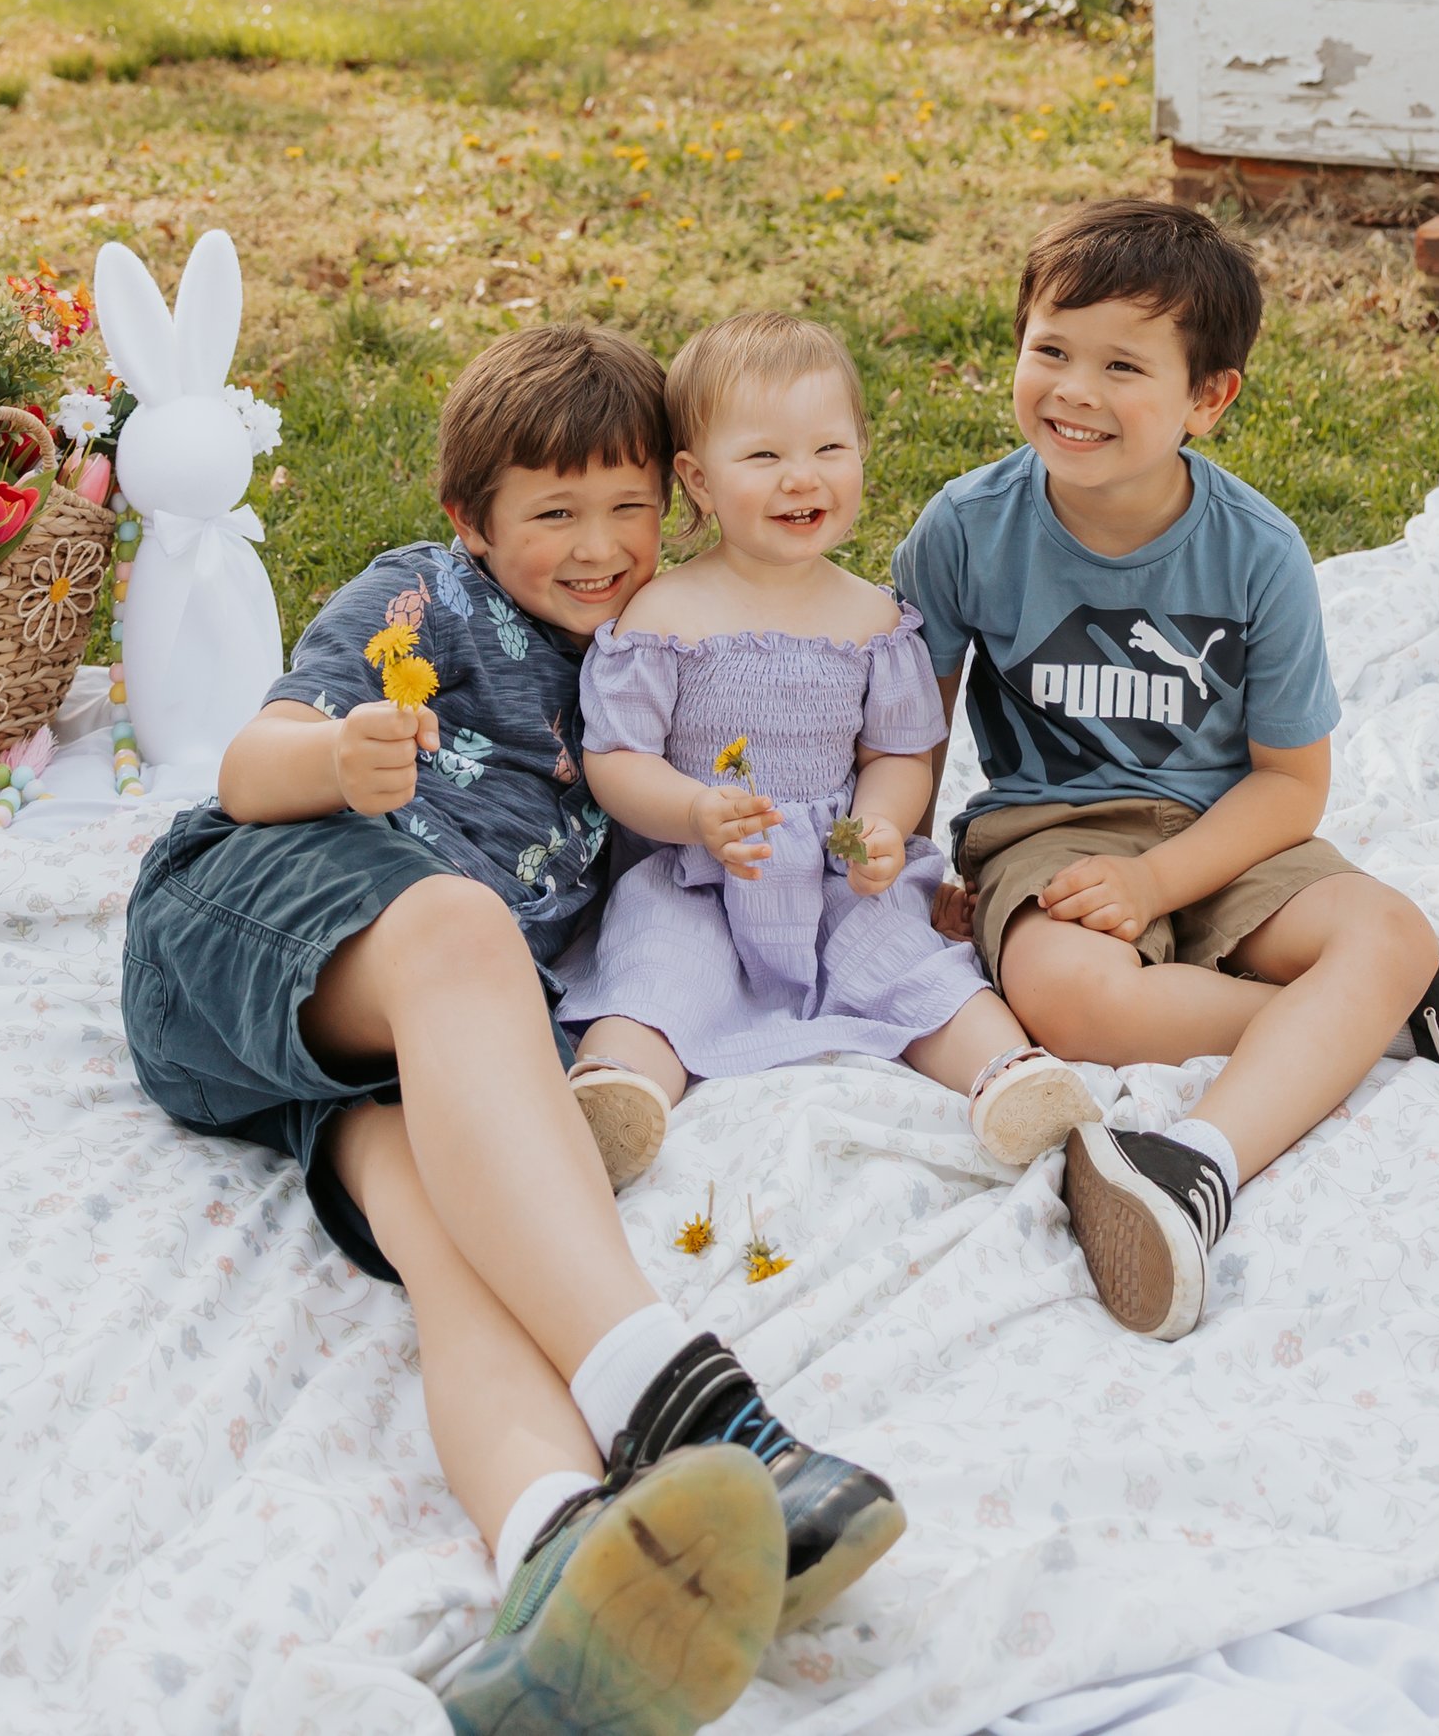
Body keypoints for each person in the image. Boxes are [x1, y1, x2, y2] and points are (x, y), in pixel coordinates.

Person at [121, 321, 906, 1736]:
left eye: (627, 509)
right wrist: (340, 757)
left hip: (386, 1046)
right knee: (461, 924)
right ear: (468, 522)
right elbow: (247, 764)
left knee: (466, 1252)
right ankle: (691, 1400)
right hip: (247, 928)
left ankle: (551, 1565)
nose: (599, 546)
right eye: (552, 513)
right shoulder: (420, 598)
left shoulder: (662, 652)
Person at [895, 198, 1439, 1343]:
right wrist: (910, 868)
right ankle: (1389, 1023)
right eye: (1050, 350)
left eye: (1122, 366)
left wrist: (1163, 883)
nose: (1073, 391)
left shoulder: (1256, 551)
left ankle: (1193, 1161)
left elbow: (1290, 783)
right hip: (1049, 838)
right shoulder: (964, 529)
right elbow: (910, 731)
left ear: (1207, 399)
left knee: (1385, 931)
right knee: (1066, 1000)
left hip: (1228, 830)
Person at [558, 310, 1099, 1195]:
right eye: (764, 457)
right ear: (695, 479)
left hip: (831, 870)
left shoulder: (871, 621)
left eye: (829, 449)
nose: (800, 478)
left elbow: (897, 752)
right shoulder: (664, 618)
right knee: (660, 968)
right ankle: (616, 1093)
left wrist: (882, 826)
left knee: (910, 965)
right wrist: (693, 812)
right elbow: (617, 757)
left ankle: (1006, 1074)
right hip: (699, 869)